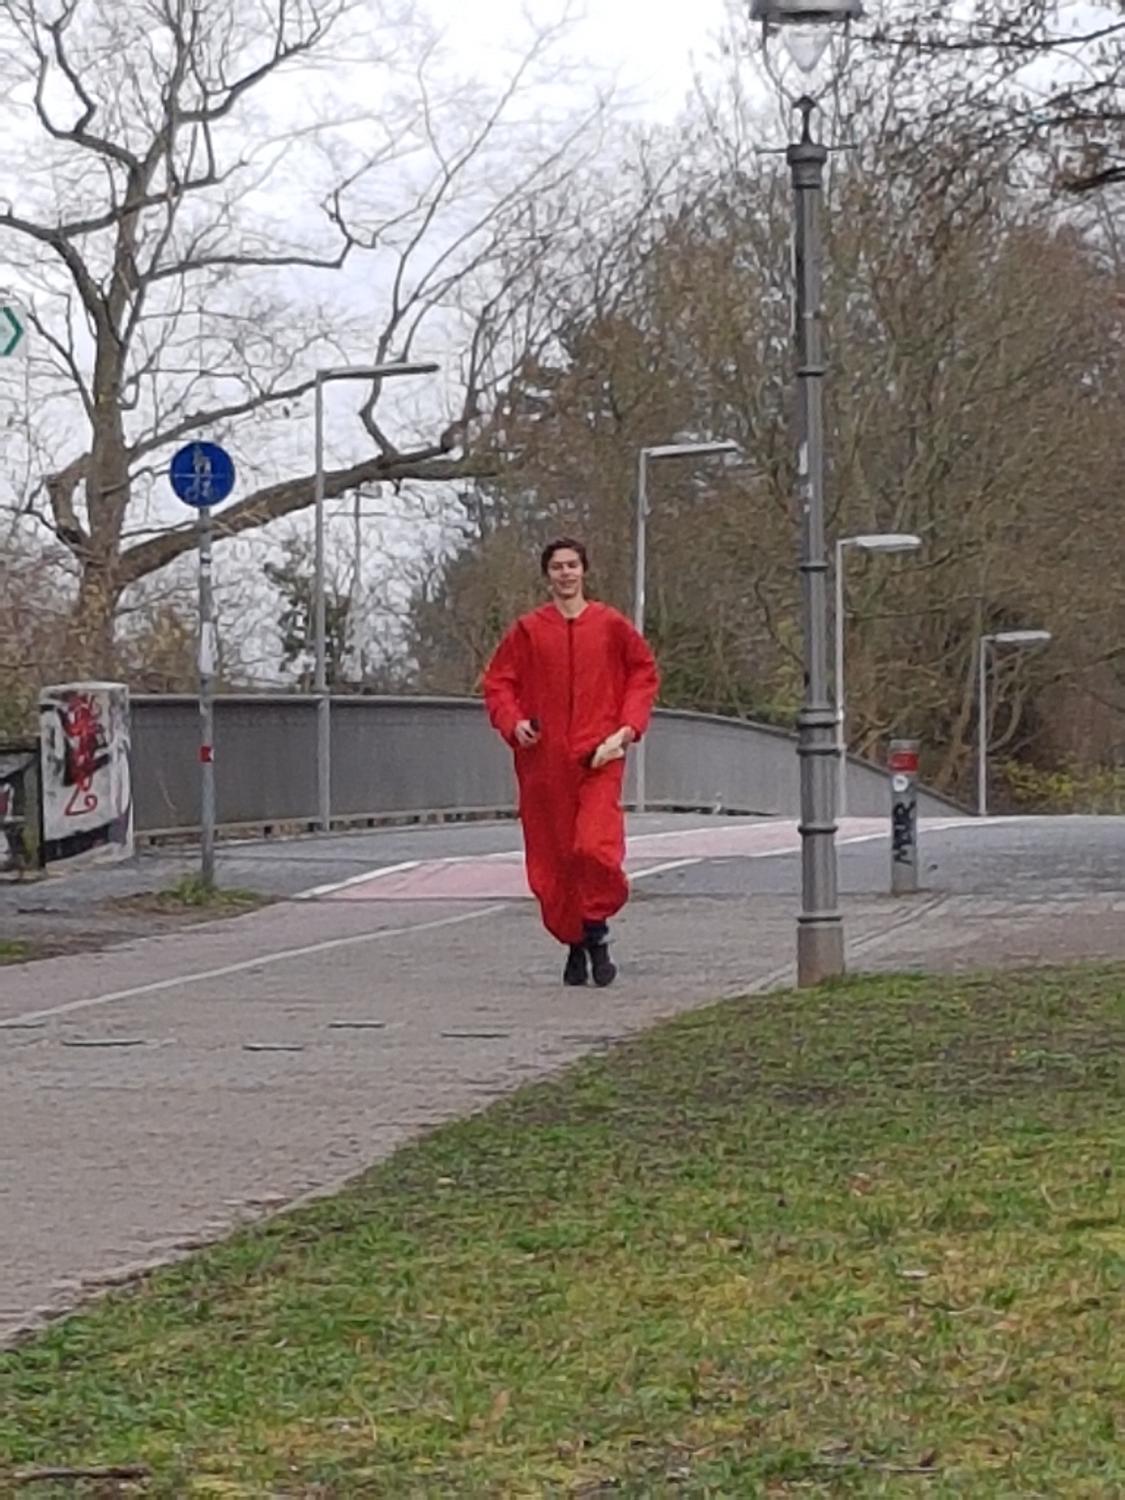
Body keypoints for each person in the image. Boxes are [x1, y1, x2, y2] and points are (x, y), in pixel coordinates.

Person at [482, 538, 659, 987]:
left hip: (600, 754)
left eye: (572, 565)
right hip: (545, 762)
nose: (565, 573)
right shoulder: (528, 630)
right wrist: (514, 723)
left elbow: (643, 672)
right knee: (556, 859)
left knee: (592, 847)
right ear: (548, 575)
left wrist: (628, 726)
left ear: (584, 571)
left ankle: (595, 934)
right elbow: (498, 683)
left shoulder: (610, 625)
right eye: (557, 566)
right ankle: (577, 943)